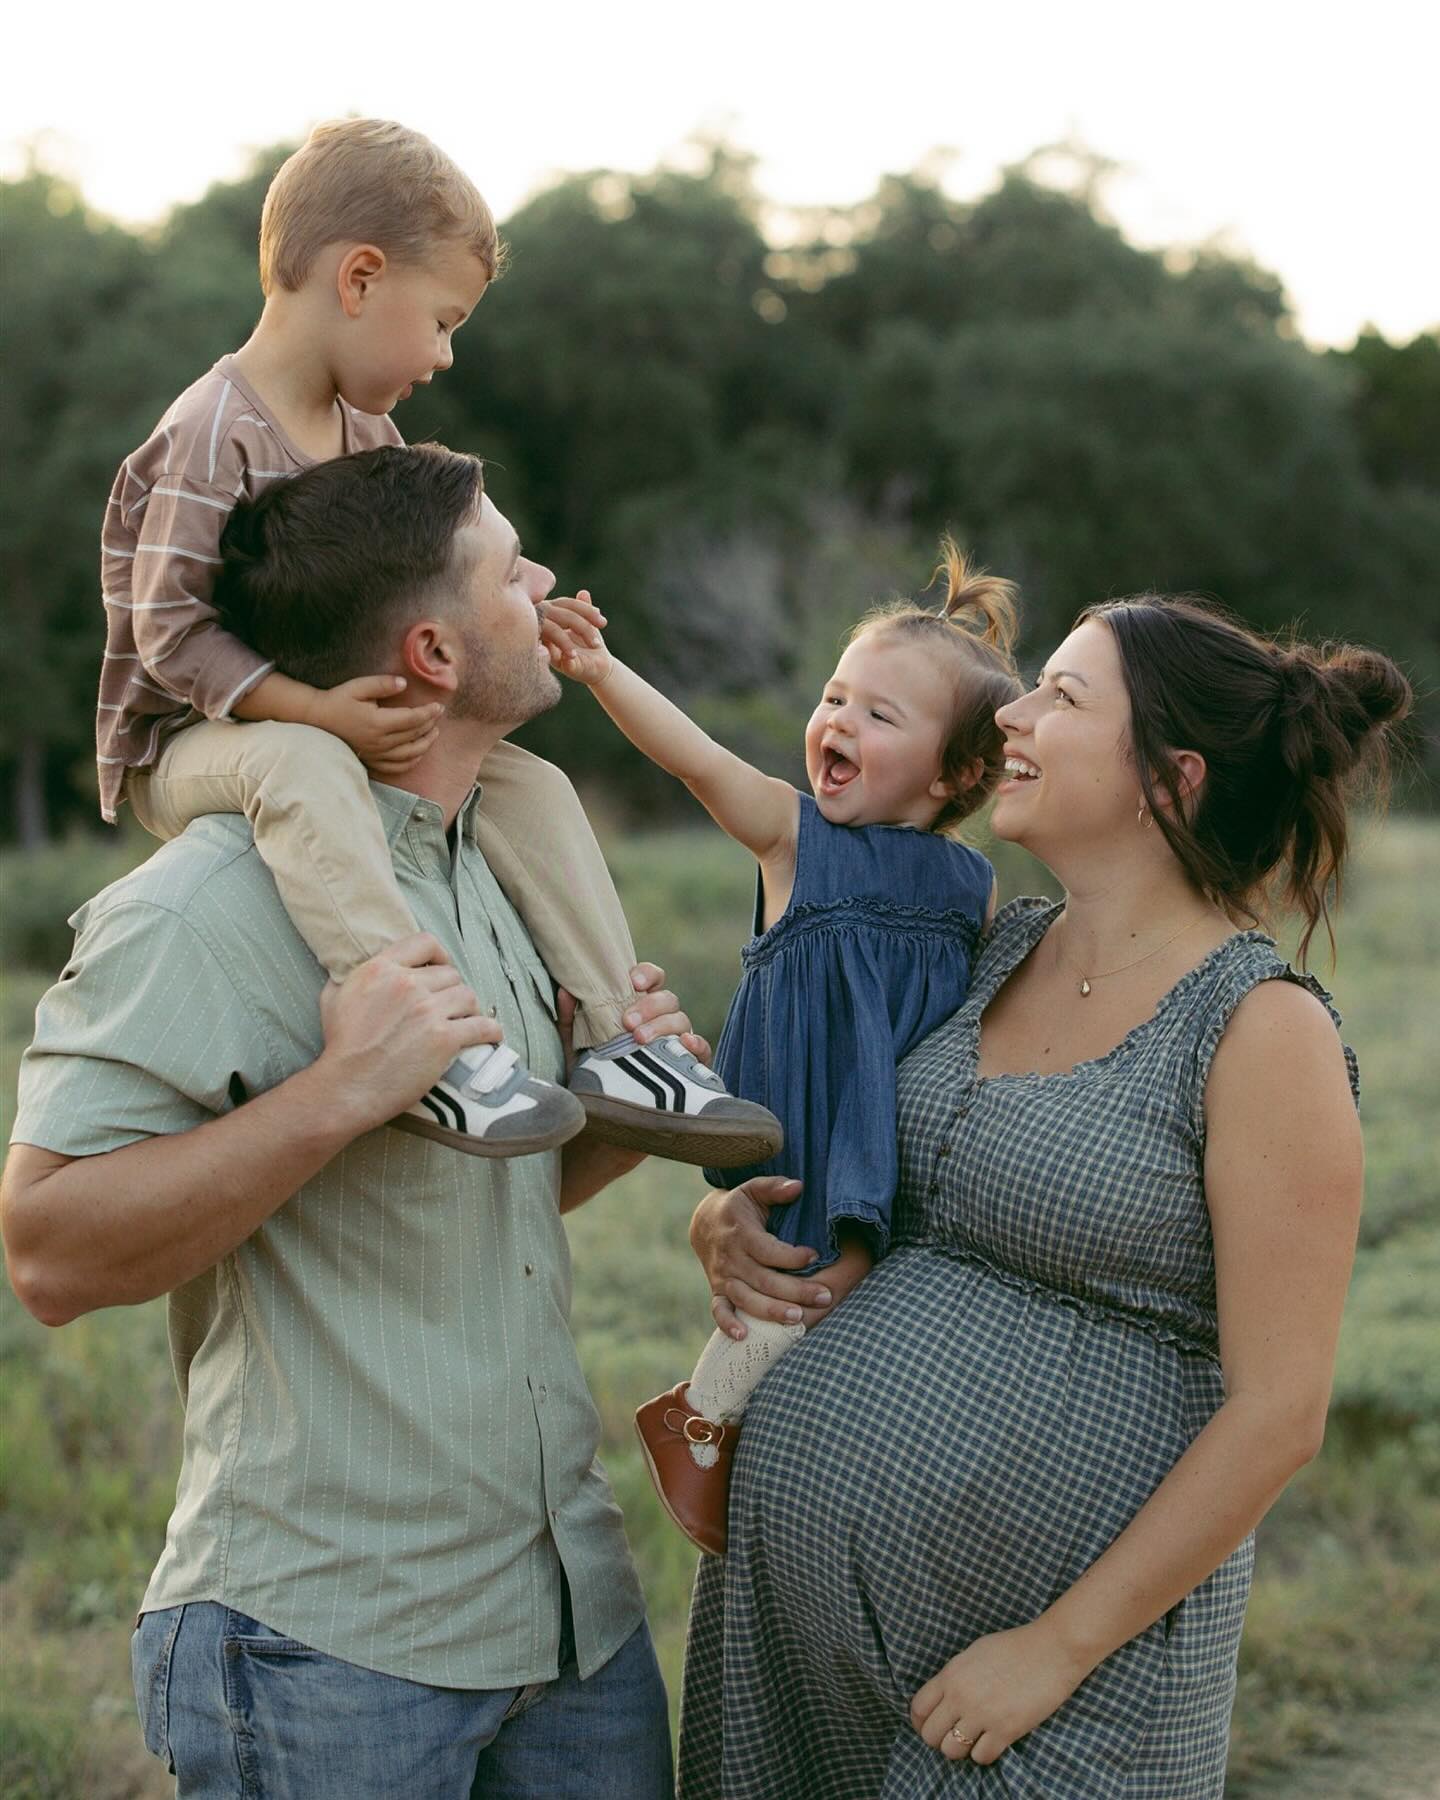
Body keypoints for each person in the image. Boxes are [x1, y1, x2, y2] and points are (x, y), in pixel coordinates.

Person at [3, 444, 699, 1797]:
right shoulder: (201, 907)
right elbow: (46, 1252)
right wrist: (337, 1096)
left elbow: (475, 1203)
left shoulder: (500, 872)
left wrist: (619, 1105)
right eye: (513, 569)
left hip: (569, 1618)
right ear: (435, 652)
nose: (548, 581)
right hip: (325, 1653)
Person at [677, 595, 1410, 1797]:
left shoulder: (1259, 1031)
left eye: (1063, 697)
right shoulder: (990, 951)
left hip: (1050, 1694)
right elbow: (842, 1147)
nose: (1012, 713)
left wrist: (1053, 1652)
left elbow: (1281, 1414)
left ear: (1169, 780)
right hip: (801, 1655)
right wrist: (725, 1218)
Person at [96, 115, 778, 1166]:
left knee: (533, 786)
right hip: (193, 741)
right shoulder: (210, 430)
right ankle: (423, 1037)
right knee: (304, 762)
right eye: (443, 320)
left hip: (340, 713)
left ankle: (613, 1036)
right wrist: (314, 708)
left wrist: (512, 604)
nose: (446, 356)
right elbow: (167, 637)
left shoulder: (363, 430)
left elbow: (432, 571)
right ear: (360, 279)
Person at [543, 544, 1022, 1555]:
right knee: (818, 1268)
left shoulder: (971, 886)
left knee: (846, 1285)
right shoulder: (797, 837)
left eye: (879, 716)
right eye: (835, 697)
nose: (838, 722)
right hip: (808, 1106)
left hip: (884, 1115)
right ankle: (699, 1417)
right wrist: (599, 669)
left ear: (960, 772)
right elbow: (694, 756)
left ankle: (743, 1434)